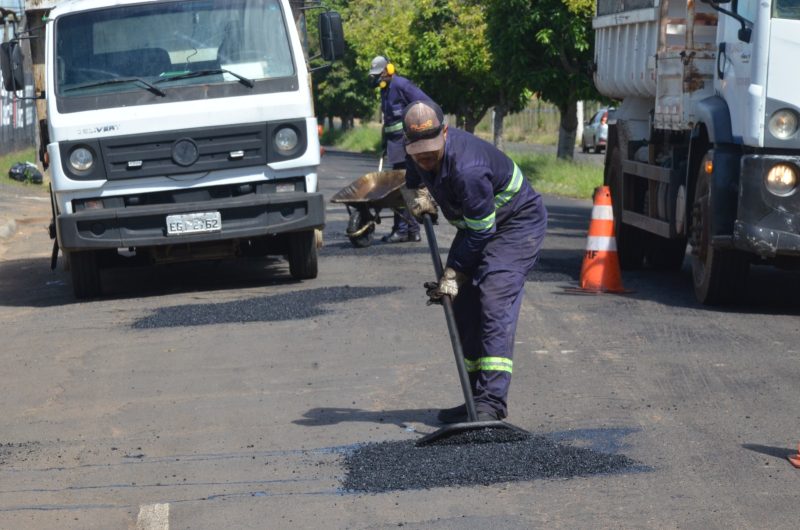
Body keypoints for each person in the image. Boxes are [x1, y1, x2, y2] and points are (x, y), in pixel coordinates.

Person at [402, 100, 547, 423]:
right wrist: (416, 196)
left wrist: (454, 272)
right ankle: (473, 399)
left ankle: (491, 403)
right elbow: (412, 178)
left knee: (493, 298)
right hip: (476, 227)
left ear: (446, 132)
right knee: (461, 303)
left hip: (514, 225)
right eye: (418, 151)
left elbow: (483, 234)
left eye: (431, 150)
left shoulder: (468, 168)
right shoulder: (415, 153)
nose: (425, 157)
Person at [368, 55, 434, 243]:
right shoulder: (385, 89)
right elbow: (388, 121)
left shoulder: (402, 85)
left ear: (389, 69)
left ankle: (402, 229)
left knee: (401, 188)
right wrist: (383, 144)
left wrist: (417, 132)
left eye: (379, 74)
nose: (377, 78)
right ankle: (412, 230)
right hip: (394, 146)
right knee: (406, 187)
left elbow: (425, 103)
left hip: (407, 146)